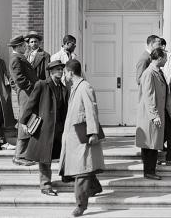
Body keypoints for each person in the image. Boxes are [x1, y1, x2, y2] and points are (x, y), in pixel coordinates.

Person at [58, 59, 105, 217]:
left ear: (70, 72)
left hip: (83, 136)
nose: (64, 75)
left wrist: (93, 133)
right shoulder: (75, 87)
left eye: (65, 72)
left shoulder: (85, 87)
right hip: (75, 137)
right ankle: (95, 186)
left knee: (81, 171)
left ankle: (81, 205)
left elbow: (92, 111)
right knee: (84, 166)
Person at [20, 60, 68, 196]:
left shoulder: (63, 87)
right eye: (58, 69)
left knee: (61, 155)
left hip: (59, 128)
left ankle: (66, 176)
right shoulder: (42, 84)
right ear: (51, 71)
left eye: (61, 69)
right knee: (44, 158)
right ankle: (45, 186)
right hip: (45, 128)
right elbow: (31, 103)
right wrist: (24, 121)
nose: (60, 71)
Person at [136, 48, 171, 178]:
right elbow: (149, 96)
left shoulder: (158, 72)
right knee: (151, 144)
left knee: (153, 143)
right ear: (160, 58)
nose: (167, 60)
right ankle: (149, 172)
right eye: (166, 58)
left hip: (158, 113)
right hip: (150, 116)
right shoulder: (149, 73)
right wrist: (154, 115)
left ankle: (150, 171)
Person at [9, 35, 38, 166]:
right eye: (23, 45)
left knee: (27, 120)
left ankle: (22, 154)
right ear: (19, 46)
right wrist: (32, 90)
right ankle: (20, 155)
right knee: (24, 121)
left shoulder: (19, 57)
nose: (26, 47)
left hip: (26, 93)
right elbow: (18, 79)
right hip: (27, 94)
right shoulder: (16, 58)